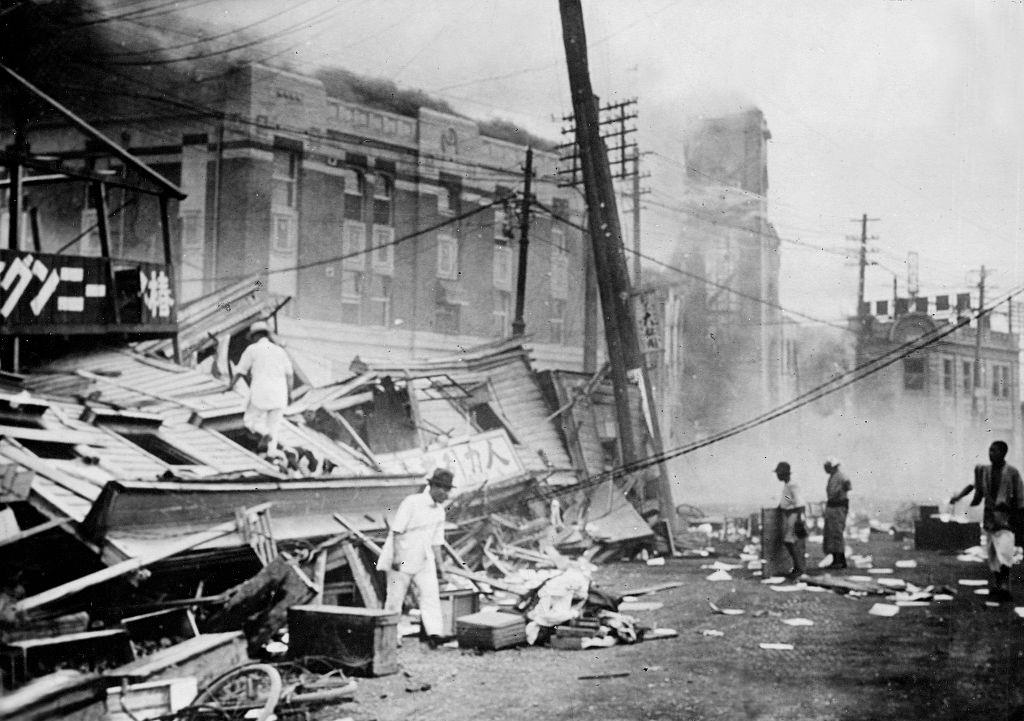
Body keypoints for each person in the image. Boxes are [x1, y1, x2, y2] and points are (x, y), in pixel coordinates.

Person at [382, 468, 454, 649]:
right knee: (395, 598)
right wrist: (396, 558)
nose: (446, 494)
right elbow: (397, 531)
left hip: (424, 556)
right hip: (403, 554)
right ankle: (391, 636)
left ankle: (434, 634)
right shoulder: (412, 502)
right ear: (434, 486)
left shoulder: (439, 512)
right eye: (444, 489)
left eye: (448, 490)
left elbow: (437, 542)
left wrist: (441, 567)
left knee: (430, 594)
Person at [949, 440, 1024, 602]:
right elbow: (973, 486)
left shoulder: (1012, 472)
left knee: (1005, 553)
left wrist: (1018, 520)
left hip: (1006, 520)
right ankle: (998, 586)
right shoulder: (984, 471)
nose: (991, 454)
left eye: (995, 451)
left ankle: (1004, 586)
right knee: (993, 555)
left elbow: (1020, 498)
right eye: (990, 450)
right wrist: (958, 497)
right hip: (990, 519)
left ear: (1003, 453)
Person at [230, 321, 294, 454]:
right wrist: (290, 394)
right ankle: (271, 454)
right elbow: (289, 375)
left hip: (261, 390)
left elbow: (240, 371)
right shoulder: (280, 351)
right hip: (279, 393)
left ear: (255, 336)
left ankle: (264, 433)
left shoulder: (252, 349)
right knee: (274, 427)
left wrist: (230, 386)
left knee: (249, 420)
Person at [775, 461, 806, 582]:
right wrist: (782, 504)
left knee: (791, 542)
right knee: (791, 542)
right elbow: (790, 498)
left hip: (795, 514)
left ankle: (799, 569)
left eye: (779, 473)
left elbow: (798, 502)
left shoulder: (793, 485)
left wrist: (799, 520)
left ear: (783, 473)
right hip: (790, 514)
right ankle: (798, 568)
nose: (778, 476)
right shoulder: (788, 485)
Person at [822, 457, 852, 569]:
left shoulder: (840, 476)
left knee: (836, 533)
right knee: (831, 533)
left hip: (838, 507)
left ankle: (840, 560)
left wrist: (840, 495)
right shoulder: (833, 477)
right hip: (833, 507)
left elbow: (847, 485)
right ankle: (836, 559)